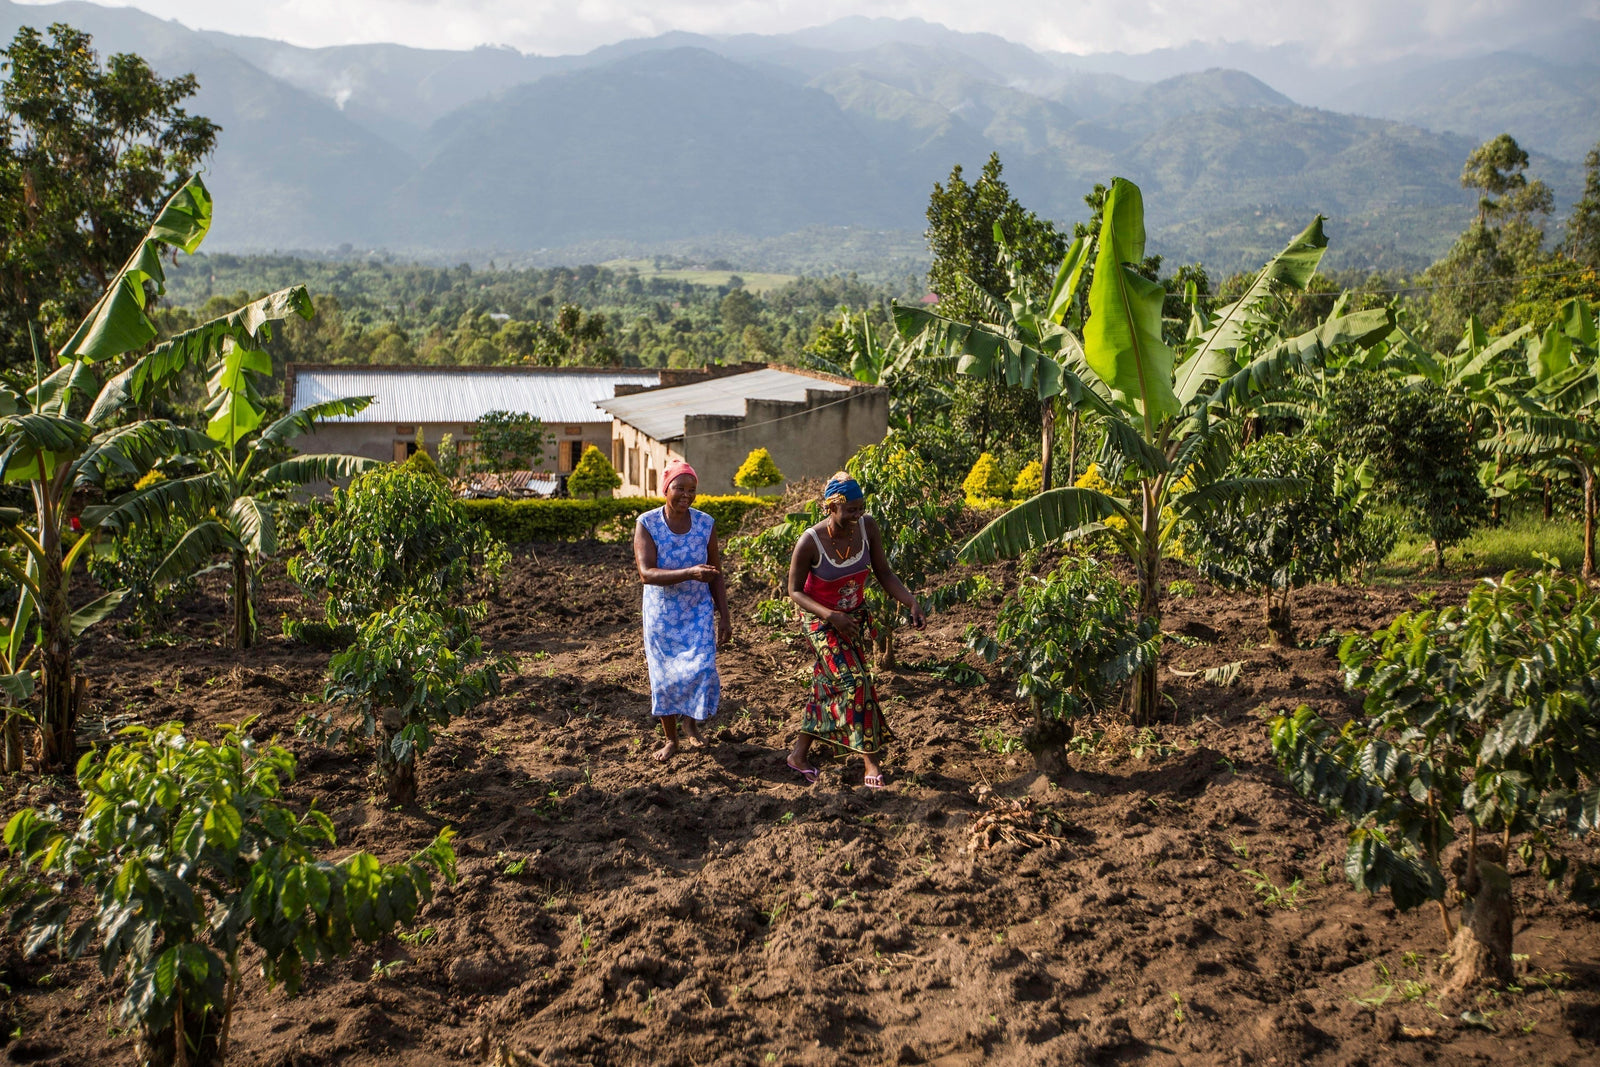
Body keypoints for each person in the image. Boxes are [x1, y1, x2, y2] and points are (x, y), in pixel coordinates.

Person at [785, 470, 924, 788]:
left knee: (827, 684)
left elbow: (884, 572)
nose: (857, 515)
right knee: (857, 683)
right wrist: (831, 615)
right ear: (831, 507)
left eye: (860, 508)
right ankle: (871, 762)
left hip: (853, 619)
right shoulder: (810, 541)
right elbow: (795, 591)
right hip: (822, 622)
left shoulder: (868, 527)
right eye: (851, 510)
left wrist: (911, 602)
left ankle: (798, 755)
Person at [633, 460, 732, 761]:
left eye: (692, 490)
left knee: (702, 669)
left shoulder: (705, 523)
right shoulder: (647, 524)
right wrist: (690, 572)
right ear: (666, 489)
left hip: (697, 610)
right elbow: (646, 574)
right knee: (665, 678)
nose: (686, 495)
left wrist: (724, 615)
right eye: (679, 488)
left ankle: (690, 722)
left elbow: (716, 572)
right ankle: (670, 739)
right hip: (662, 615)